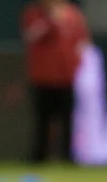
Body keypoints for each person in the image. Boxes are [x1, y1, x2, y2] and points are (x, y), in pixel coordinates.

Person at [21, 0, 90, 163]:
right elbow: (31, 36)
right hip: (43, 78)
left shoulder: (73, 15)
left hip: (66, 78)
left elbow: (82, 42)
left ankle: (68, 158)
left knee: (68, 120)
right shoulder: (34, 14)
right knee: (42, 121)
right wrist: (51, 20)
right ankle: (39, 158)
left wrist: (77, 62)